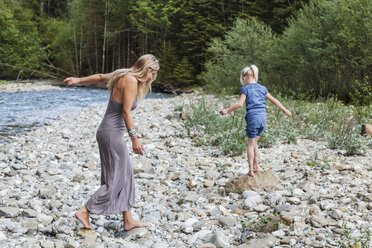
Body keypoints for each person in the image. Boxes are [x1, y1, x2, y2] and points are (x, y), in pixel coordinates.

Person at [63, 54, 160, 230]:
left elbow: (100, 77)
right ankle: (85, 210)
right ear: (147, 69)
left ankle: (128, 220)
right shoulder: (130, 80)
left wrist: (78, 80)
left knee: (126, 175)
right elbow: (126, 112)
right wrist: (134, 138)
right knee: (115, 178)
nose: (151, 78)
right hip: (111, 133)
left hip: (110, 132)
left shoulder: (122, 74)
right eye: (152, 74)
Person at [219, 65, 291, 177]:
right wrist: (285, 110)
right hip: (263, 118)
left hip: (253, 118)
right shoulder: (262, 88)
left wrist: (226, 110)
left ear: (245, 77)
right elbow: (274, 100)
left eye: (242, 77)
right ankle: (256, 166)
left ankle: (251, 170)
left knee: (251, 144)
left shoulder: (245, 89)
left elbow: (239, 104)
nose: (242, 79)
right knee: (255, 142)